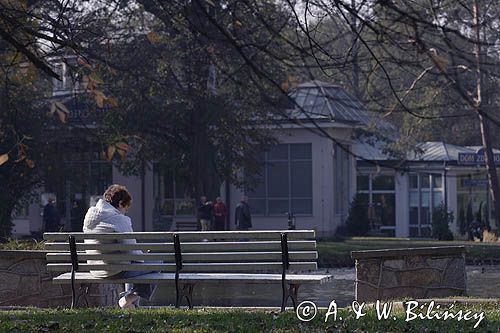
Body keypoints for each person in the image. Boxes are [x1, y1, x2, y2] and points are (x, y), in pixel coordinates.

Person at [83, 184, 156, 309]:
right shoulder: (119, 219)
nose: (125, 213)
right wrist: (144, 256)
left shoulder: (90, 216)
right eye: (126, 209)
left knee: (130, 261)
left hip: (95, 269)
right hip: (115, 270)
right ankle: (128, 299)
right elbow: (132, 252)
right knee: (155, 263)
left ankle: (131, 306)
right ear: (121, 203)